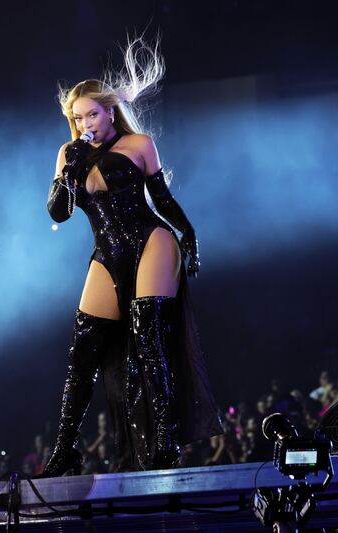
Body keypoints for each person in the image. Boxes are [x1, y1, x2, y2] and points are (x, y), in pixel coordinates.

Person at [39, 37, 223, 477]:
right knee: (83, 349)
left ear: (109, 112)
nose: (85, 123)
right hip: (107, 251)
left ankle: (166, 439)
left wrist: (189, 233)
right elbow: (59, 213)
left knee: (148, 337)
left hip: (151, 239)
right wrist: (70, 170)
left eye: (92, 114)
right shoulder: (68, 154)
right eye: (77, 117)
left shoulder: (139, 144)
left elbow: (163, 199)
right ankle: (65, 449)